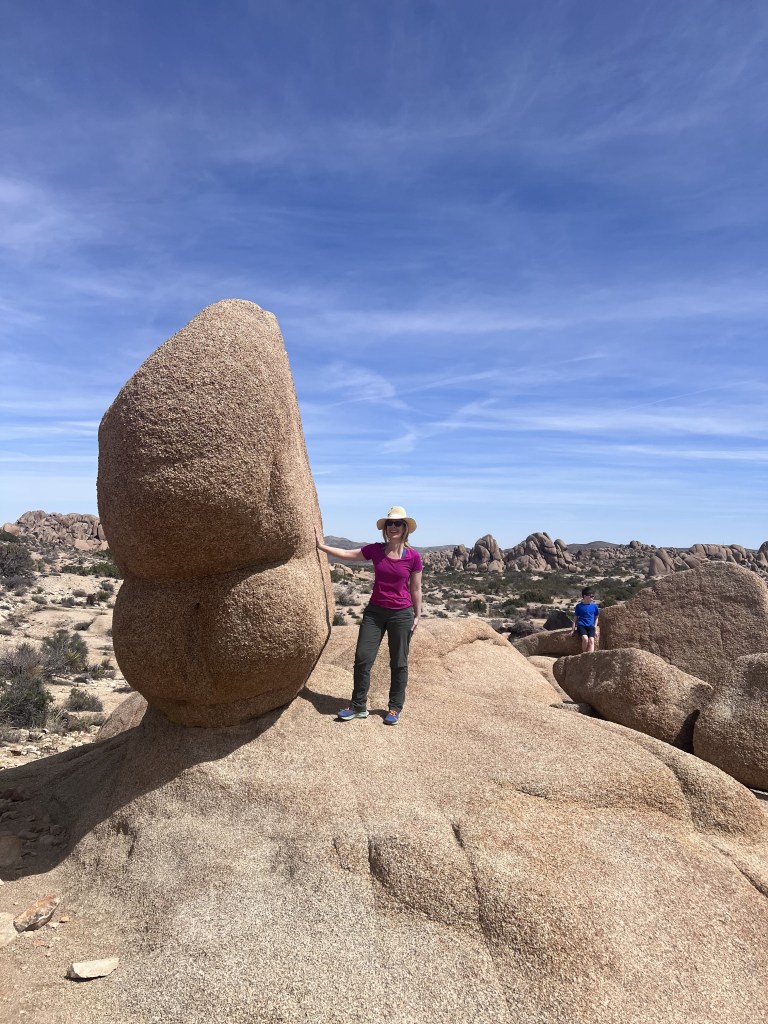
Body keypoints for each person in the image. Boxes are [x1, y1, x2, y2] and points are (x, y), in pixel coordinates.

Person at [316, 506, 422, 726]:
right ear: (385, 528)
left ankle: (394, 707)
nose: (393, 527)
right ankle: (358, 705)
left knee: (399, 662)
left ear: (405, 529)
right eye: (389, 524)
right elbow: (348, 554)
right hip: (375, 612)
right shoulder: (375, 550)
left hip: (401, 614)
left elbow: (416, 588)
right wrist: (321, 546)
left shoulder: (413, 557)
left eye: (398, 524)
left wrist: (417, 614)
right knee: (363, 659)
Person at [571, 587, 600, 653]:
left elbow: (596, 618)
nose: (592, 598)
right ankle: (584, 654)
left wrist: (595, 628)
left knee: (592, 640)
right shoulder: (579, 606)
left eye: (593, 596)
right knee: (585, 639)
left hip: (590, 626)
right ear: (585, 596)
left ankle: (590, 656)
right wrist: (573, 630)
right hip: (581, 625)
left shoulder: (594, 606)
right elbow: (575, 618)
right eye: (591, 596)